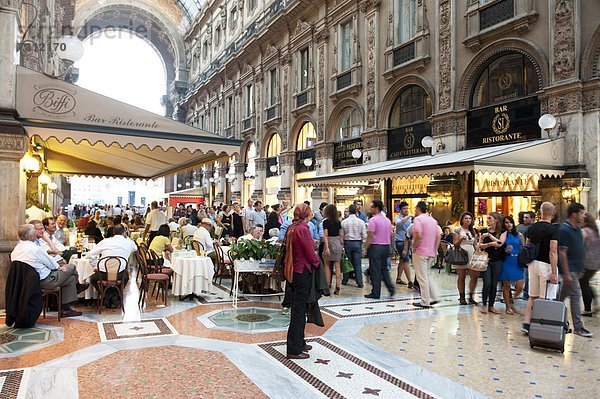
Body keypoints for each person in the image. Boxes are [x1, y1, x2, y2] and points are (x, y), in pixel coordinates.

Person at [11, 224, 85, 317]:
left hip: (26, 281)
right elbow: (51, 263)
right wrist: (59, 267)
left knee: (70, 279)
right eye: (35, 232)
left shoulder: (16, 249)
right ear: (31, 236)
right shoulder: (35, 249)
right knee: (71, 267)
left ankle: (66, 309)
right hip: (45, 280)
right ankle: (78, 286)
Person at [285, 204, 320, 359]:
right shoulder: (303, 229)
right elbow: (309, 251)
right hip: (301, 271)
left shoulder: (291, 227)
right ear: (306, 213)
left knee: (298, 308)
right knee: (299, 311)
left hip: (292, 271)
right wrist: (318, 262)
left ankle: (300, 341)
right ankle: (294, 348)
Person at [522, 202, 559, 335]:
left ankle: (526, 323)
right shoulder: (554, 229)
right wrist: (554, 272)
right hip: (546, 265)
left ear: (540, 212)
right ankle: (539, 325)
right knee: (544, 298)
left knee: (532, 295)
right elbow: (553, 251)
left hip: (533, 263)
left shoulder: (532, 228)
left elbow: (527, 245)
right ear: (553, 213)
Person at [559, 203, 592, 337]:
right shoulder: (564, 230)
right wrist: (566, 272)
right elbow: (562, 252)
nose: (584, 215)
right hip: (569, 270)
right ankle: (578, 327)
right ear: (574, 214)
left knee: (562, 296)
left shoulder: (577, 229)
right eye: (582, 213)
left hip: (575, 269)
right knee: (575, 296)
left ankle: (553, 314)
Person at [86, 224, 137, 292]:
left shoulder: (105, 241)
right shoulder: (128, 242)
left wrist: (96, 265)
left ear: (113, 232)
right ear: (124, 232)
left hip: (103, 274)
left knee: (93, 279)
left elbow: (90, 255)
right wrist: (127, 237)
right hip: (120, 274)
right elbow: (135, 248)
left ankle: (104, 294)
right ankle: (117, 294)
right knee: (126, 278)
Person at [363, 200, 395, 299]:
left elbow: (370, 235)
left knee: (375, 270)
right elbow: (391, 234)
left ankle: (376, 292)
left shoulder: (373, 220)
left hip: (376, 247)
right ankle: (391, 288)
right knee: (384, 269)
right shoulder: (387, 220)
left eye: (372, 207)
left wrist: (365, 248)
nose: (370, 209)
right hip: (386, 246)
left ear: (376, 208)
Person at [411, 201, 440, 308]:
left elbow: (418, 235)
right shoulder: (433, 220)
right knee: (427, 275)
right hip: (431, 252)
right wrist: (435, 249)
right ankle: (434, 297)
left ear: (418, 209)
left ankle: (425, 301)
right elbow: (438, 236)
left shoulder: (418, 219)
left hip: (420, 252)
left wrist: (414, 247)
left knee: (422, 278)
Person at [478, 212, 504, 314]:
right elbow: (480, 245)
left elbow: (500, 244)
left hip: (497, 260)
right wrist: (490, 244)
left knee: (494, 284)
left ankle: (491, 305)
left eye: (490, 218)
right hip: (486, 260)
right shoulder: (483, 231)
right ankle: (484, 304)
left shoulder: (502, 232)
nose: (487, 220)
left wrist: (489, 236)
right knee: (487, 282)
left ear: (496, 220)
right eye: (487, 218)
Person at [498, 215, 525, 314]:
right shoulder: (503, 234)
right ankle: (507, 306)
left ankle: (513, 298)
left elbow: (523, 247)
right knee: (506, 285)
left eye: (510, 222)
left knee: (520, 284)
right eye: (506, 222)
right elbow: (499, 245)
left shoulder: (519, 235)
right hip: (507, 260)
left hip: (517, 260)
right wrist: (505, 249)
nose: (509, 224)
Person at [453, 212, 479, 305]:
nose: (468, 220)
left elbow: (475, 243)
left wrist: (478, 253)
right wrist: (461, 239)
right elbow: (455, 243)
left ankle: (471, 295)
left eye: (469, 218)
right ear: (462, 220)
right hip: (461, 253)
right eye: (466, 218)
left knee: (474, 276)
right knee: (461, 277)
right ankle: (462, 296)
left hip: (471, 253)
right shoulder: (458, 230)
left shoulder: (473, 231)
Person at [341, 204, 367, 288]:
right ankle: (359, 282)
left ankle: (345, 280)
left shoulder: (344, 222)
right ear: (356, 211)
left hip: (347, 242)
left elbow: (342, 234)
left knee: (346, 261)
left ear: (349, 211)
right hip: (357, 243)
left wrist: (342, 245)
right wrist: (364, 246)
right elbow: (364, 235)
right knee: (357, 263)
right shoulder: (361, 222)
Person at [580, 211, 600, 317]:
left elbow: (579, 247)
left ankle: (587, 309)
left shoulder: (585, 231)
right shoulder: (595, 231)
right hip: (596, 262)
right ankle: (595, 302)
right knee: (586, 283)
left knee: (584, 285)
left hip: (586, 262)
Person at [322, 204, 344, 295]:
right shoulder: (338, 222)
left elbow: (326, 235)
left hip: (330, 242)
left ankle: (327, 285)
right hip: (337, 242)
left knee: (327, 265)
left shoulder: (325, 222)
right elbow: (341, 234)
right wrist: (342, 245)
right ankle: (338, 286)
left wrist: (326, 247)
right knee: (337, 265)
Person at [393, 201, 413, 288]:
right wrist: (409, 216)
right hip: (400, 241)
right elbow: (399, 223)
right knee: (406, 260)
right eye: (404, 208)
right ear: (400, 210)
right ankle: (410, 281)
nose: (406, 210)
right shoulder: (397, 217)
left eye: (407, 208)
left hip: (408, 241)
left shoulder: (410, 219)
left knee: (402, 260)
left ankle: (398, 278)